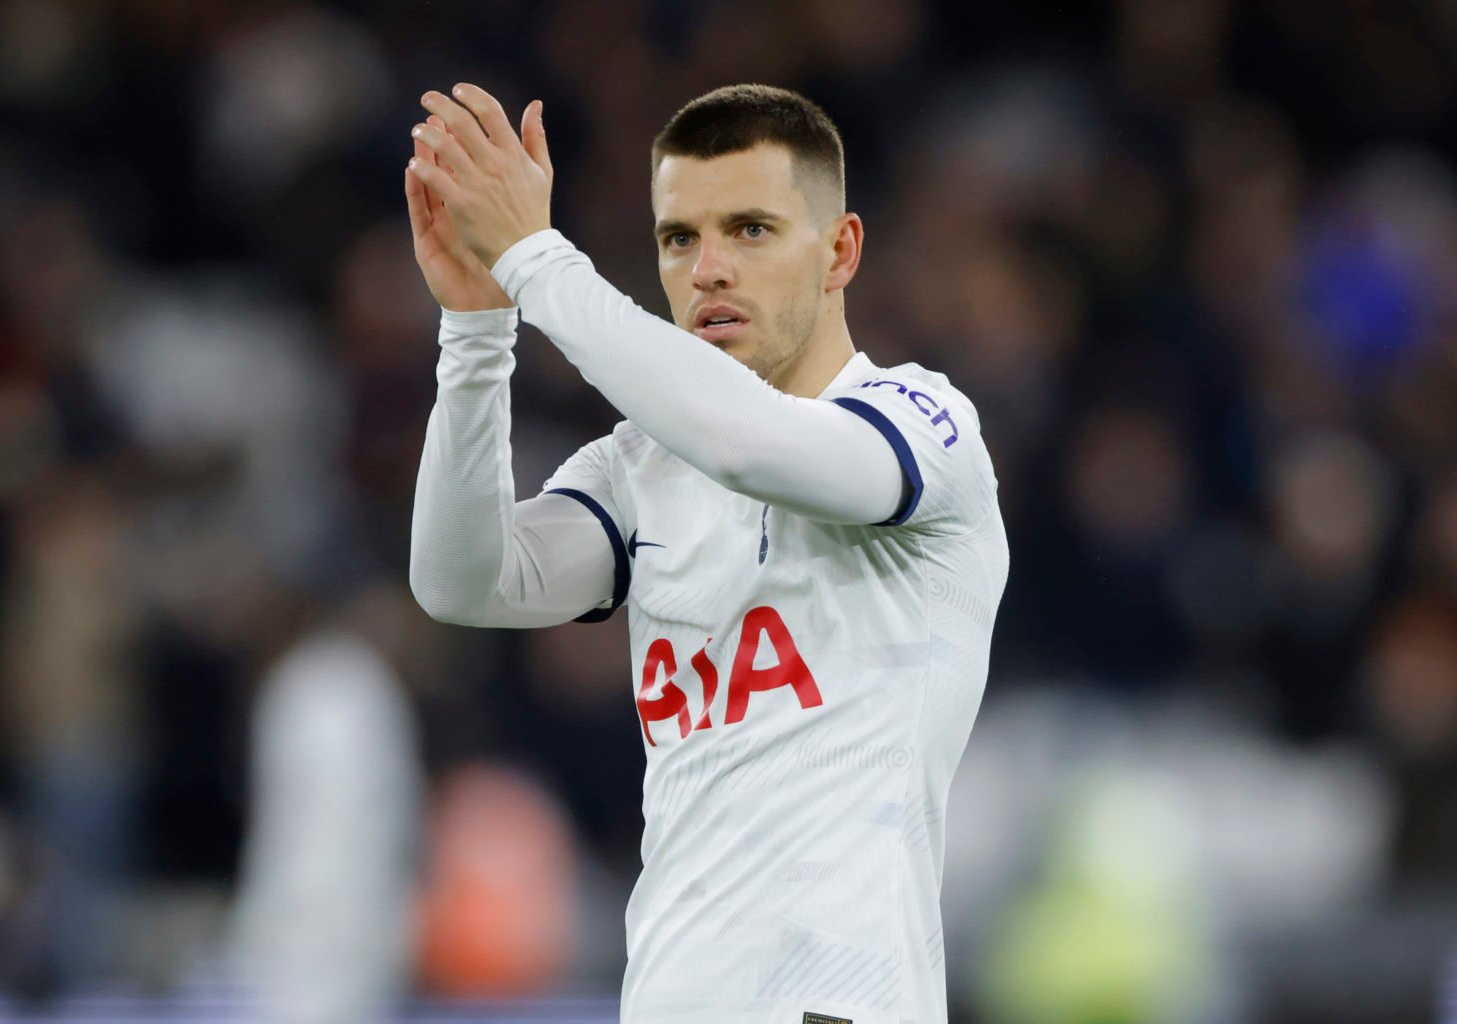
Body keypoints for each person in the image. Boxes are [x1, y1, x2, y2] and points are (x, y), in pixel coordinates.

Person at [405, 81, 1007, 1024]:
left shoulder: (924, 428)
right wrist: (477, 330)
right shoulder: (644, 467)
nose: (708, 269)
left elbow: (749, 446)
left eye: (751, 230)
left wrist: (535, 257)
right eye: (679, 238)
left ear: (840, 251)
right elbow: (464, 581)